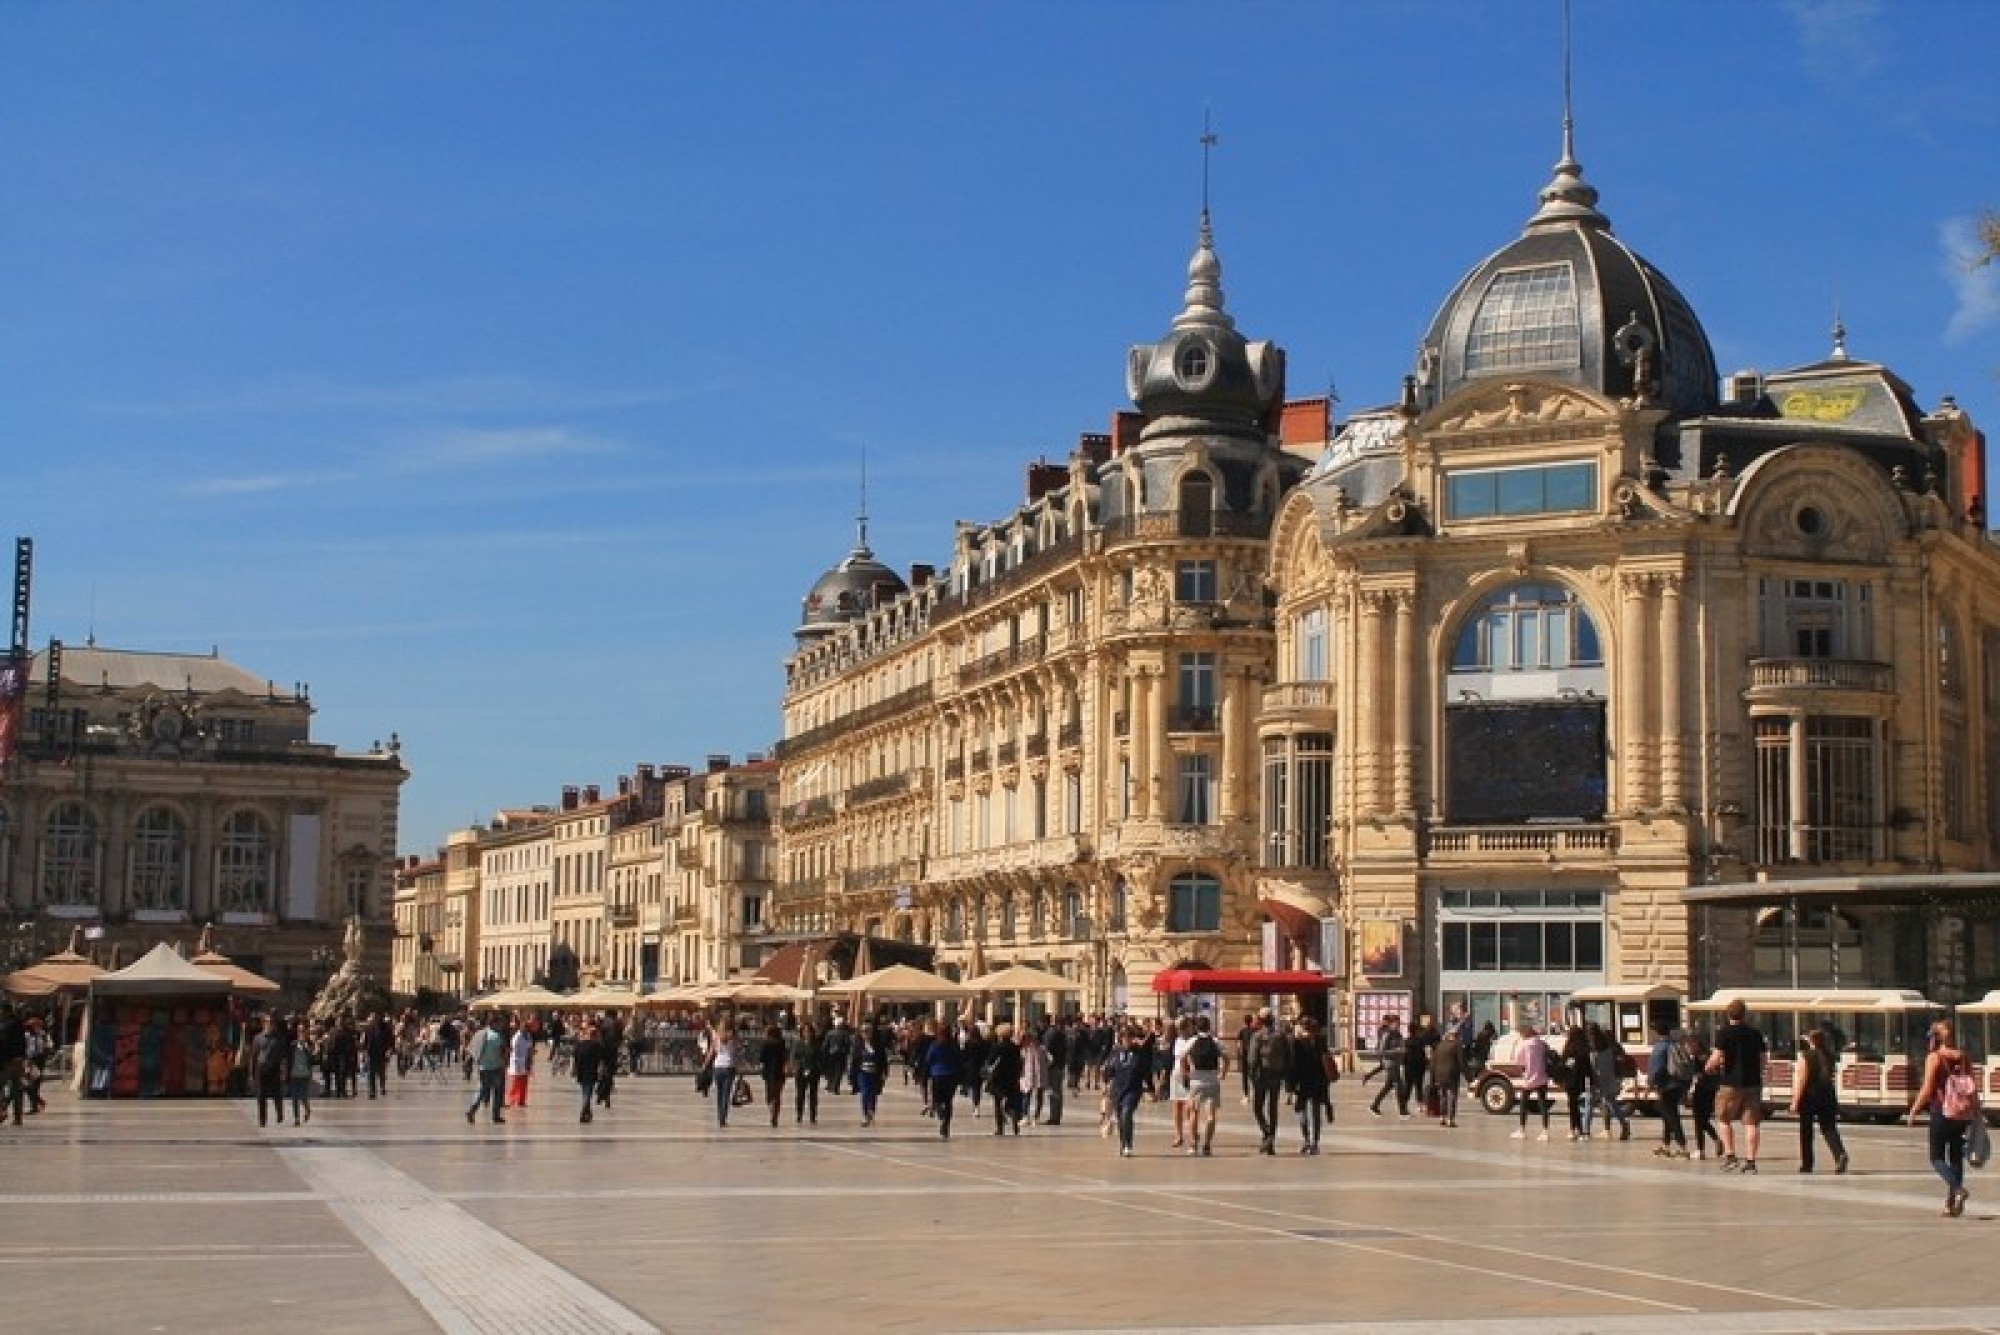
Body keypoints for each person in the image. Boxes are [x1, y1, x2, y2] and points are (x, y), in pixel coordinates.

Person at [1908, 1019, 1978, 1216]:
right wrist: (1976, 1111)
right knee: (1956, 1157)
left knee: (1936, 1157)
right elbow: (1973, 1087)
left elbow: (1927, 1087)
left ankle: (1957, 1189)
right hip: (1962, 1113)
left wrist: (1914, 1109)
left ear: (1935, 1038)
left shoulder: (1935, 1057)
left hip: (1942, 1111)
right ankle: (1952, 1205)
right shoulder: (1964, 1057)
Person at [1706, 997, 1767, 1173]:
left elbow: (1716, 1058)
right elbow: (1763, 1059)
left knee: (1723, 1118)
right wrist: (1759, 1073)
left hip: (1730, 1083)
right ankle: (1751, 1161)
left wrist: (1708, 1067)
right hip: (1753, 1083)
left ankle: (1731, 1155)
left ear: (1728, 1014)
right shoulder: (1756, 1034)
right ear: (1745, 1014)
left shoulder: (1724, 1033)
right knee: (1751, 1123)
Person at [1791, 1027, 1848, 1174]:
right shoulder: (1829, 1056)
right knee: (1829, 1128)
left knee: (1806, 1131)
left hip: (1810, 1096)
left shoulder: (1806, 1056)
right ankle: (1839, 1154)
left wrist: (1795, 1101)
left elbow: (1802, 1080)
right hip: (1827, 1095)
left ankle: (1807, 1164)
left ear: (1811, 1041)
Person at [1248, 1007, 1293, 1155]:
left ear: (1261, 1020)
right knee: (1273, 1109)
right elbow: (1289, 1056)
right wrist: (1284, 1074)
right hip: (1276, 1075)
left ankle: (1267, 1133)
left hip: (1261, 1076)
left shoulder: (1258, 1036)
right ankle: (1271, 1141)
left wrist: (1251, 1076)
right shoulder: (1280, 1036)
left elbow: (1253, 1059)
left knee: (1257, 1108)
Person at [1180, 1014, 1226, 1156]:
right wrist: (1223, 1073)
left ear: (1196, 1027)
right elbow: (1226, 1057)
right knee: (1211, 1115)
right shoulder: (1216, 1041)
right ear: (1209, 1027)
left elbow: (1182, 1056)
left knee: (1194, 1113)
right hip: (1212, 1079)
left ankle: (1193, 1144)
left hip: (1197, 1079)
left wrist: (1185, 1072)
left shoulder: (1193, 1040)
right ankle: (1207, 1145)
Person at [1646, 1023, 1690, 1159]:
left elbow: (1656, 1068)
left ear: (1657, 1033)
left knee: (1671, 1115)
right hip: (1678, 1084)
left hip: (1666, 1086)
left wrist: (1652, 1084)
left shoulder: (1659, 1046)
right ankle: (1666, 1145)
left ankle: (1683, 1147)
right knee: (1667, 1115)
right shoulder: (1674, 1043)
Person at [1289, 1015, 1333, 1153]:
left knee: (1302, 1112)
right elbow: (1326, 1060)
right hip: (1319, 1081)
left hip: (1303, 1082)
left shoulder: (1297, 1042)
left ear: (1302, 1027)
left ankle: (1306, 1140)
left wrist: (1291, 1085)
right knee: (1316, 1112)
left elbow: (1294, 1065)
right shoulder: (1321, 1041)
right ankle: (1315, 1142)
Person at [1582, 1023, 1632, 1141]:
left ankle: (1586, 1132)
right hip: (1608, 1079)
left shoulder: (1591, 1049)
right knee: (1612, 1104)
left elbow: (1592, 1067)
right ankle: (1624, 1124)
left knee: (1589, 1105)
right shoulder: (1607, 1048)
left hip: (1595, 1080)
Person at [1105, 1024, 1150, 1158]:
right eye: (1124, 1037)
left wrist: (1151, 1088)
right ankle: (1123, 1142)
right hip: (1117, 1089)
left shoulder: (1139, 1052)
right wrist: (1106, 1083)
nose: (1127, 1040)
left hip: (1133, 1089)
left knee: (1126, 1113)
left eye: (1129, 1037)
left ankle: (1128, 1145)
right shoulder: (1116, 1052)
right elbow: (1109, 1069)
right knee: (1120, 1118)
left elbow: (1145, 1071)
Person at [1508, 1022, 1553, 1141]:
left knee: (1523, 1103)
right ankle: (1545, 1131)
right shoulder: (1541, 1043)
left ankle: (1522, 1130)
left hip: (1529, 1078)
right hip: (1542, 1077)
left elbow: (1518, 1060)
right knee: (1543, 1104)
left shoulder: (1524, 1044)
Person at [465, 1014, 508, 1124]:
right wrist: (504, 1064)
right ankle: (496, 1116)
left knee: (482, 1090)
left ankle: (472, 1110)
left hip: (482, 1067)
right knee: (497, 1092)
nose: (502, 1025)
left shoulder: (480, 1033)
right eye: (500, 1023)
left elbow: (472, 1049)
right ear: (494, 1023)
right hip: (495, 1068)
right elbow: (501, 1053)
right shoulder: (496, 1036)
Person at [251, 1012, 292, 1128]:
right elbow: (254, 1056)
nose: (269, 1024)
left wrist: (284, 1071)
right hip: (261, 1069)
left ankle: (279, 1113)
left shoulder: (279, 1038)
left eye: (272, 1022)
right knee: (261, 1096)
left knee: (277, 1094)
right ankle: (262, 1120)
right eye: (267, 1022)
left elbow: (285, 1056)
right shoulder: (258, 1038)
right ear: (263, 1023)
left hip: (274, 1069)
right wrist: (251, 1073)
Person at [924, 1019, 962, 1140]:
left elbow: (928, 1060)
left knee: (937, 1100)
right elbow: (959, 1060)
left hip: (938, 1075)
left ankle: (940, 1113)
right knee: (948, 1101)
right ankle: (946, 1124)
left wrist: (927, 1072)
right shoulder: (954, 1046)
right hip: (951, 1076)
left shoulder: (935, 1045)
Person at [1687, 1035, 1723, 1160]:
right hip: (1711, 1091)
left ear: (1694, 1046)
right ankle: (1716, 1139)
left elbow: (1697, 1076)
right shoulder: (1711, 1055)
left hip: (1701, 1090)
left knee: (1698, 1120)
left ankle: (1700, 1150)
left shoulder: (1698, 1058)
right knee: (1703, 1120)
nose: (1688, 1049)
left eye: (1689, 1046)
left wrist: (1690, 1089)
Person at [986, 1022, 1024, 1135]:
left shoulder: (997, 1047)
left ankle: (1000, 1128)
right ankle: (1015, 1123)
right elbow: (1019, 1062)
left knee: (998, 1103)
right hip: (1012, 1077)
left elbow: (990, 1061)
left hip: (999, 1077)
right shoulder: (1015, 1047)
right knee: (1012, 1101)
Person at [1367, 1014, 1407, 1117]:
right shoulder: (1387, 1035)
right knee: (1399, 1085)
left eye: (1399, 1023)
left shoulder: (1398, 1035)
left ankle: (1374, 1106)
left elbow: (1401, 1047)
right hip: (1389, 1063)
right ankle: (1402, 1112)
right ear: (1391, 1024)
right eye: (1396, 1023)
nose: (1398, 1025)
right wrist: (1396, 1051)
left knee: (1388, 1086)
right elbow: (1381, 1051)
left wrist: (1402, 1051)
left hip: (1396, 1063)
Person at [1557, 1024, 1592, 1141]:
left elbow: (1562, 1066)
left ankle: (1574, 1129)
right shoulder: (1585, 1049)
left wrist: (1560, 1079)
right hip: (1581, 1081)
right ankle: (1583, 1130)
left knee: (1573, 1106)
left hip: (1570, 1082)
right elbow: (1588, 1068)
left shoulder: (1568, 1049)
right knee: (1583, 1105)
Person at [1167, 1015, 1196, 1148]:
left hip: (1190, 1076)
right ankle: (1178, 1135)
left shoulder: (1194, 1041)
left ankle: (1192, 1135)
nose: (1181, 1030)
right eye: (1179, 1028)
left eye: (1184, 1027)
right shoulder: (1177, 1040)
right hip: (1177, 1075)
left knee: (1190, 1108)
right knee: (1177, 1107)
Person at [706, 1015, 739, 1127]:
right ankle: (722, 1118)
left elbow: (711, 1052)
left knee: (719, 1094)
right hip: (729, 1066)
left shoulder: (716, 1036)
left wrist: (705, 1065)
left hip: (718, 1066)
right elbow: (736, 1052)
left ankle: (720, 1116)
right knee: (726, 1094)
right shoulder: (733, 1037)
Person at [1429, 1020, 1464, 1128]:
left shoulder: (1439, 1045)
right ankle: (1450, 1119)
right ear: (1456, 1036)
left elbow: (1433, 1063)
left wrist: (1432, 1078)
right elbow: (1461, 1062)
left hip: (1439, 1075)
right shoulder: (1456, 1045)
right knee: (1452, 1096)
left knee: (1443, 1096)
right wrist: (1469, 1076)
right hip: (1451, 1075)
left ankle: (1442, 1118)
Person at [571, 1021, 607, 1124]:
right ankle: (584, 1111)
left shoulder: (580, 1045)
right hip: (591, 1072)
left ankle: (588, 1111)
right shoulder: (597, 1046)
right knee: (587, 1092)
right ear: (595, 1036)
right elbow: (601, 1059)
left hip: (581, 1071)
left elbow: (576, 1058)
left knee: (585, 1092)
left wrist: (575, 1070)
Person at [854, 1023, 887, 1127]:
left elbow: (883, 1060)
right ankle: (864, 1115)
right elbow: (854, 1060)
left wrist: (884, 1072)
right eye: (864, 1032)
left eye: (868, 1031)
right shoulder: (859, 1045)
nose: (866, 1034)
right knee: (864, 1093)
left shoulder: (878, 1045)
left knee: (872, 1094)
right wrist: (852, 1074)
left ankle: (871, 1112)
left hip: (874, 1073)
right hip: (862, 1073)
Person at [0, 1002, 27, 1127]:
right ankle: (18, 1118)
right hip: (18, 1060)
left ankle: (2, 1109)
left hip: (8, 1061)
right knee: (17, 1089)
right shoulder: (19, 1024)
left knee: (3, 1086)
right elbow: (23, 1043)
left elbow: (3, 1044)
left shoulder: (6, 1026)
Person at [790, 1020, 822, 1125]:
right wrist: (796, 1066)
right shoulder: (798, 1043)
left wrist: (817, 1067)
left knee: (813, 1094)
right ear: (802, 1032)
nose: (807, 1033)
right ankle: (799, 1114)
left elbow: (820, 1057)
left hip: (813, 1071)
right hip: (800, 1071)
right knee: (800, 1094)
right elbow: (794, 1057)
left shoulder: (816, 1043)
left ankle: (813, 1116)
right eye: (805, 1031)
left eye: (809, 1031)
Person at [286, 1017, 315, 1126]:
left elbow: (313, 1059)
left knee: (303, 1097)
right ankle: (296, 1118)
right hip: (294, 1074)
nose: (301, 1033)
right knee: (294, 1097)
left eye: (303, 1031)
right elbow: (288, 1059)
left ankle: (307, 1109)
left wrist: (307, 1048)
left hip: (305, 1074)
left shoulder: (309, 1044)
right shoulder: (293, 1045)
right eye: (299, 1031)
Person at [1018, 1024, 1049, 1125]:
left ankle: (1026, 1116)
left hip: (1028, 1074)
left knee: (1027, 1095)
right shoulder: (1042, 1048)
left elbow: (1021, 1059)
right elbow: (1050, 1060)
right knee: (1037, 1096)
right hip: (1039, 1074)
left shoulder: (1026, 1049)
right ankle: (1036, 1117)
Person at [506, 1013, 536, 1109]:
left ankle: (521, 1100)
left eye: (528, 1028)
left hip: (525, 1061)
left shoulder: (528, 1036)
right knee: (515, 1083)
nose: (527, 1029)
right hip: (517, 1062)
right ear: (521, 1028)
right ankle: (512, 1100)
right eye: (525, 1028)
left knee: (524, 1082)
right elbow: (514, 1049)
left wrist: (531, 1053)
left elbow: (529, 1047)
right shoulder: (517, 1037)